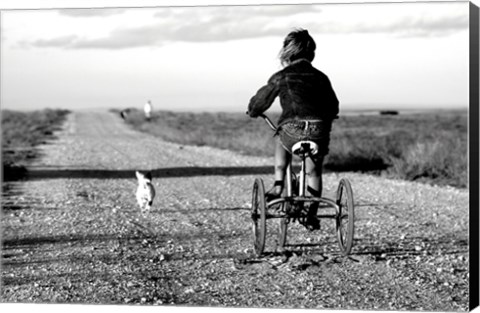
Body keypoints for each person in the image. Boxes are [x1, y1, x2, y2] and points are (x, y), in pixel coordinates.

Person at [247, 29, 339, 231]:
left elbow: (260, 102)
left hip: (292, 129)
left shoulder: (281, 76)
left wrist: (253, 110)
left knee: (281, 136)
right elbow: (333, 106)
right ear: (311, 53)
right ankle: (311, 214)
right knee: (314, 171)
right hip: (318, 129)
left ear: (287, 53)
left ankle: (279, 183)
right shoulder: (321, 77)